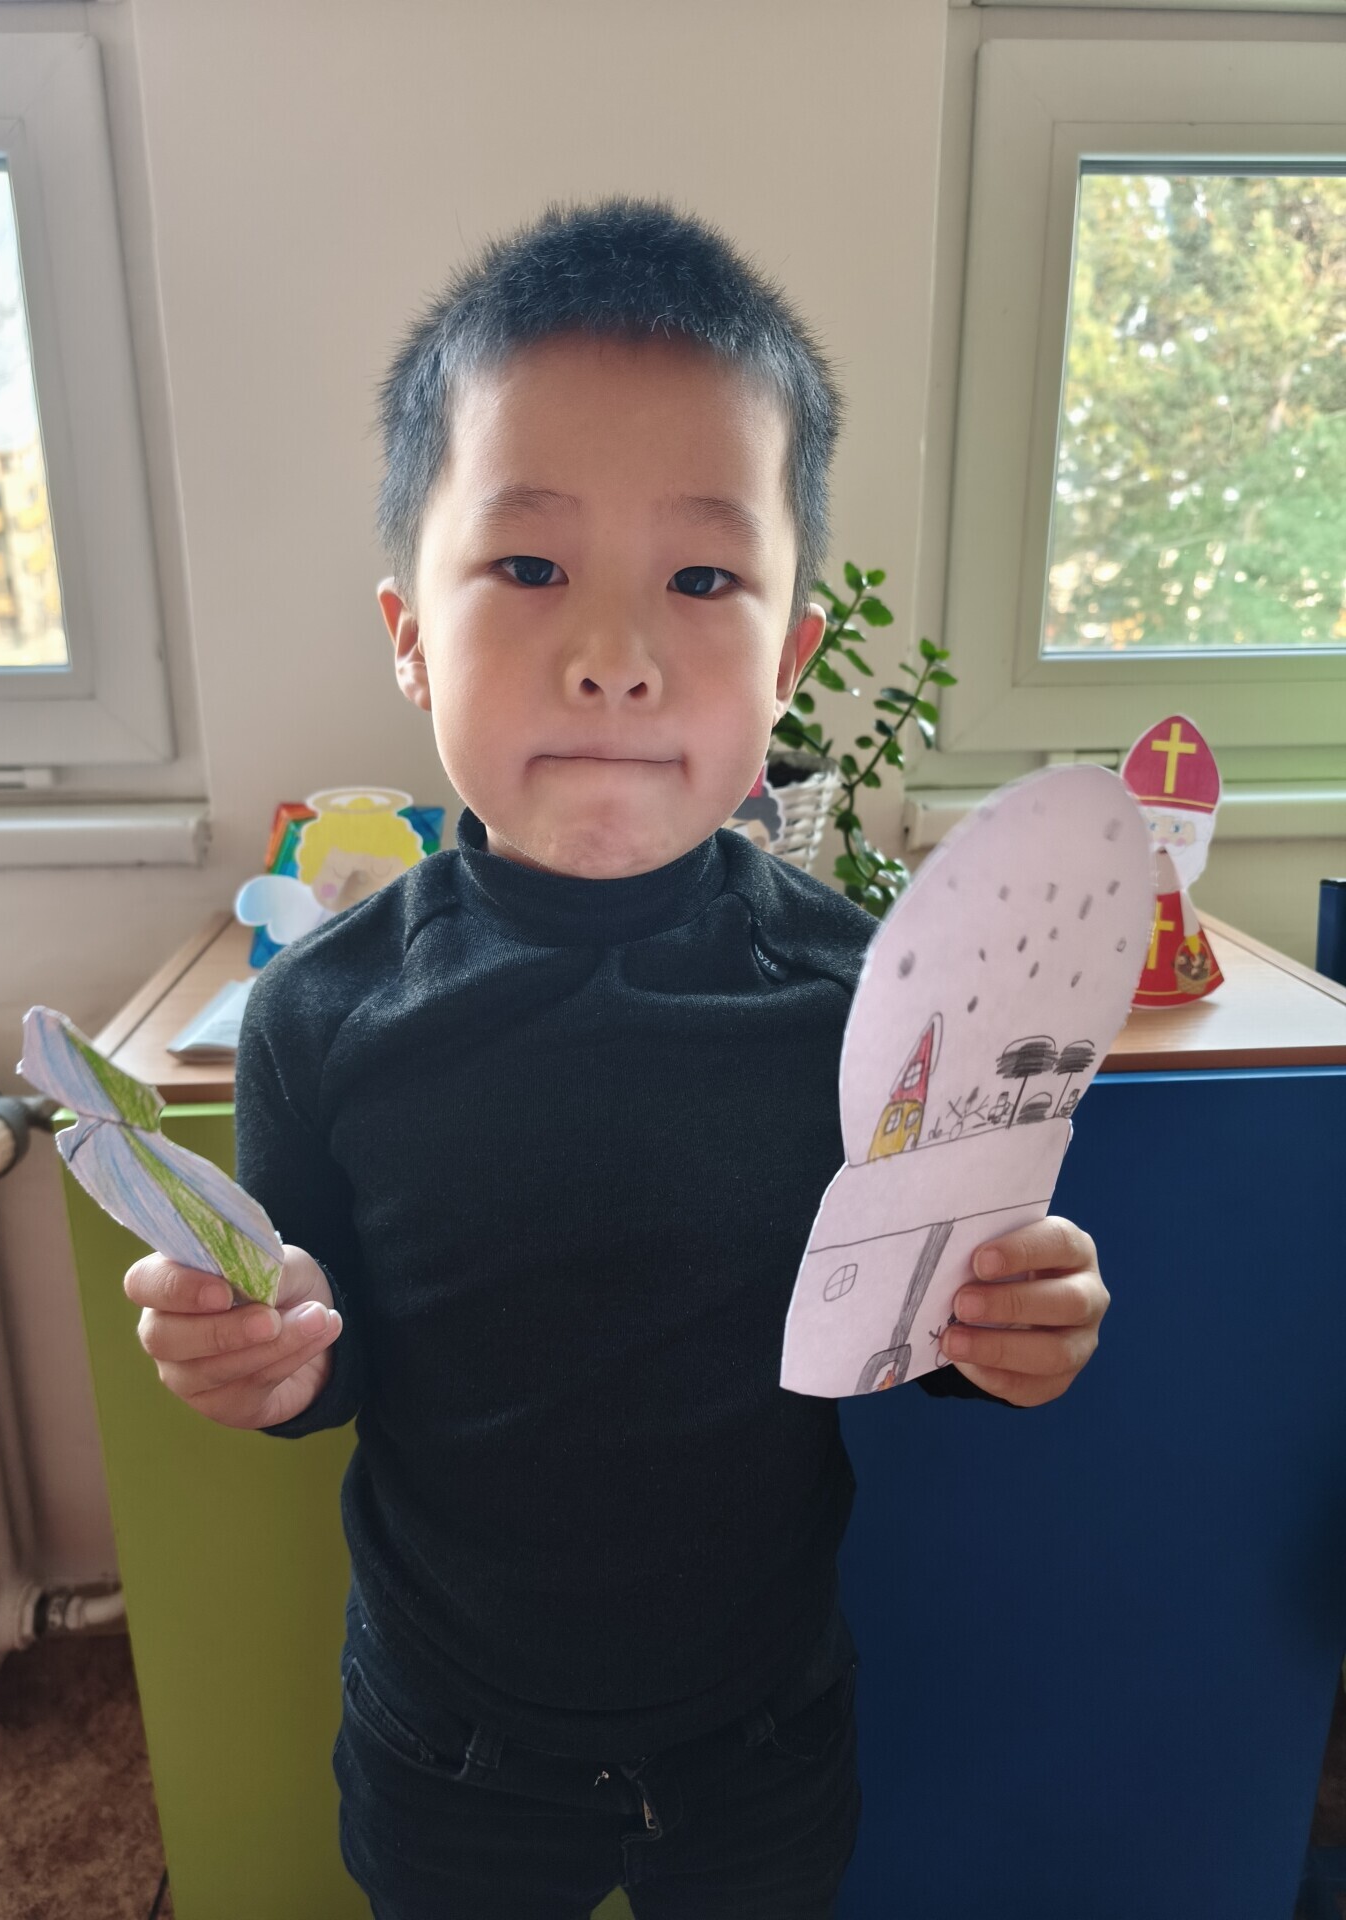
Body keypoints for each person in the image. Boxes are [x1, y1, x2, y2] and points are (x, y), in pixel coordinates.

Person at [123, 196, 1110, 1920]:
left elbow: (908, 1315)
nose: (615, 659)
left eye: (702, 579)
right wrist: (264, 1357)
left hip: (760, 1733)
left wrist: (1005, 1329)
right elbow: (328, 1367)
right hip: (448, 1744)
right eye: (529, 568)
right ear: (409, 631)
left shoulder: (872, 1001)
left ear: (789, 658)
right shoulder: (319, 1015)